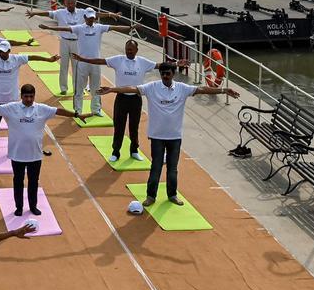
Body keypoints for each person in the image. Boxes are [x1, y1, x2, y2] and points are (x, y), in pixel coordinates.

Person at [100, 62, 239, 206]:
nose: (165, 76)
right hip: (157, 136)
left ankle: (172, 195)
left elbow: (202, 89)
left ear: (173, 74)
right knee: (156, 167)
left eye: (168, 73)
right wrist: (112, 89)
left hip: (175, 137)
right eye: (163, 74)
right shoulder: (152, 87)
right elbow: (133, 88)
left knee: (172, 169)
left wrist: (223, 90)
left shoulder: (182, 88)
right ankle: (151, 196)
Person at [0, 83, 85, 216]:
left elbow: (58, 111)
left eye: (31, 97)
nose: (28, 99)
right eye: (26, 96)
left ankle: (33, 206)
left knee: (33, 182)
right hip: (17, 155)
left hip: (35, 155)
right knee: (18, 181)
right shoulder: (12, 108)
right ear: (21, 96)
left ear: (34, 96)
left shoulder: (42, 109)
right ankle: (19, 208)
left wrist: (76, 114)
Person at [73, 38, 176, 162]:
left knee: (134, 127)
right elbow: (101, 61)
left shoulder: (143, 62)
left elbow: (160, 65)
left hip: (136, 99)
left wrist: (177, 64)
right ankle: (116, 152)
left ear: (137, 50)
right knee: (119, 126)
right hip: (121, 98)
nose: (129, 52)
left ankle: (134, 150)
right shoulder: (118, 60)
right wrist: (83, 59)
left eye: (131, 50)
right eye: (127, 49)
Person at [40, 8, 132, 116]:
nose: (91, 20)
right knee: (79, 89)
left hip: (96, 64)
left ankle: (96, 110)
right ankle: (78, 110)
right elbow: (65, 28)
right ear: (84, 17)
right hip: (82, 63)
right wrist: (48, 27)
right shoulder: (79, 28)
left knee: (96, 88)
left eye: (92, 18)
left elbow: (114, 27)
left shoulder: (99, 27)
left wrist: (130, 27)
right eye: (89, 18)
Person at [24, 0, 87, 95]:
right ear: (65, 4)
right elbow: (48, 13)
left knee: (77, 66)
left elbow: (97, 14)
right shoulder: (60, 13)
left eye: (72, 3)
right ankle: (63, 88)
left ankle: (78, 89)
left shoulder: (82, 12)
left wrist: (110, 14)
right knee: (64, 65)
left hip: (77, 42)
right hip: (64, 41)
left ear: (76, 3)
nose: (70, 5)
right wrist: (34, 13)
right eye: (68, 3)